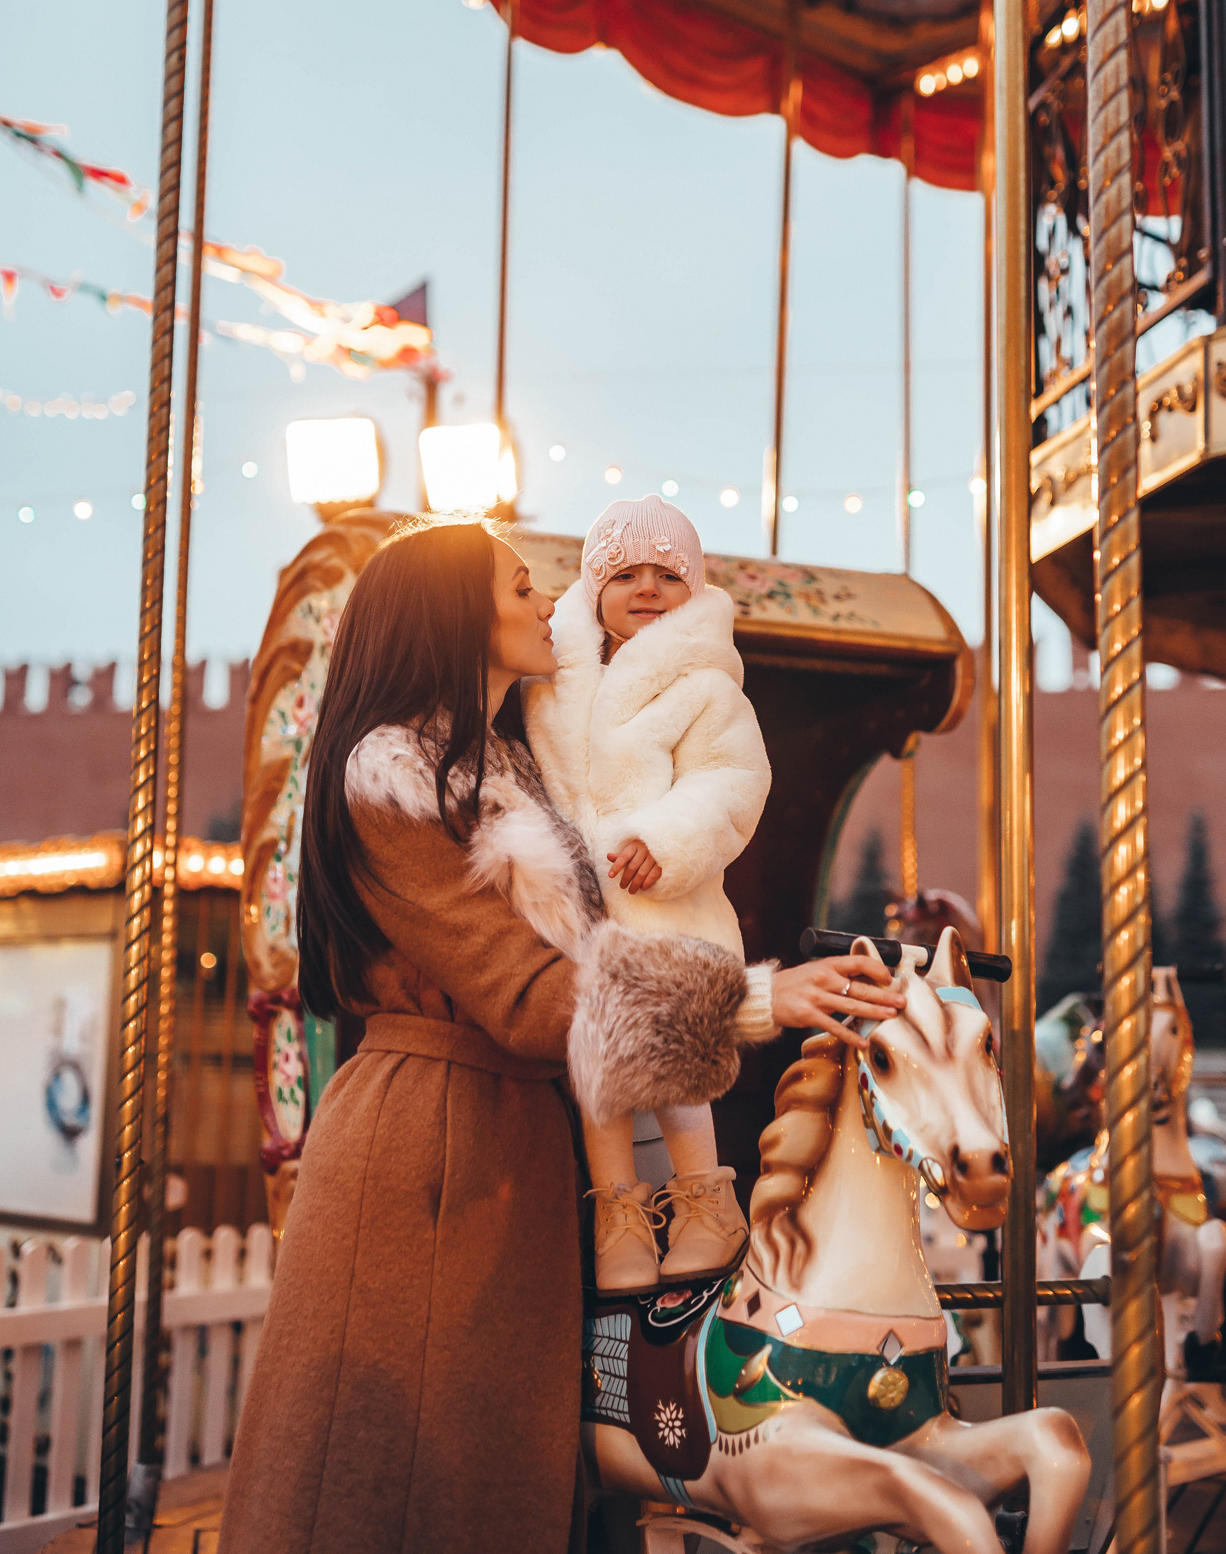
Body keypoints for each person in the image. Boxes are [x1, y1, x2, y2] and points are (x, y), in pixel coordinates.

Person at [217, 515, 906, 1554]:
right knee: (400, 1485)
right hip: (431, 1145)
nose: (548, 604)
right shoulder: (391, 783)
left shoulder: (509, 765)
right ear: (456, 618)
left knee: (484, 1476)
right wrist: (751, 998)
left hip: (507, 1136)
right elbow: (528, 993)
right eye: (518, 588)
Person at [524, 494, 771, 1289]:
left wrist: (662, 842)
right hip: (578, 915)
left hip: (663, 902)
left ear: (691, 590)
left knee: (672, 1057)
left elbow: (730, 781)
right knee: (596, 1073)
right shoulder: (552, 680)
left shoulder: (705, 685)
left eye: (667, 575)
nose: (647, 589)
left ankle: (706, 1201)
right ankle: (618, 1215)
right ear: (593, 587)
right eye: (624, 574)